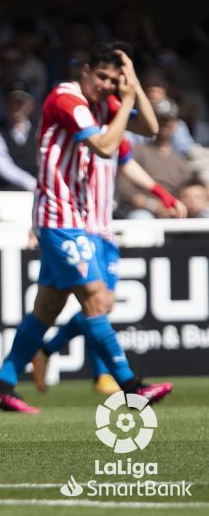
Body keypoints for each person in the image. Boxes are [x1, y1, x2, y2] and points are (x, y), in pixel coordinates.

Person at [0, 43, 172, 413]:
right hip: (60, 217)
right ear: (84, 70)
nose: (105, 85)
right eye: (101, 77)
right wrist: (124, 99)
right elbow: (104, 146)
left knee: (47, 309)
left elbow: (149, 127)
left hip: (83, 220)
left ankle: (2, 386)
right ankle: (131, 387)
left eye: (112, 80)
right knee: (98, 299)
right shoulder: (66, 97)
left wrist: (130, 84)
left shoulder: (105, 105)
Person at [31, 134, 187, 394]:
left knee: (99, 305)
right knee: (95, 304)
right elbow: (49, 176)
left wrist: (160, 192)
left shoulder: (114, 133)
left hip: (105, 230)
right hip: (79, 228)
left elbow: (131, 154)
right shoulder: (79, 130)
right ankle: (103, 376)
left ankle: (45, 352)